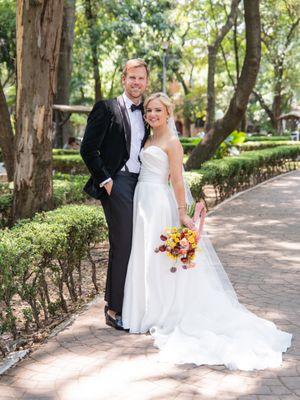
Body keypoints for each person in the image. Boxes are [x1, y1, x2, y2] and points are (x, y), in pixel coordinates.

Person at [122, 92, 292, 371]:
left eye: (158, 110)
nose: (152, 114)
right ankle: (147, 308)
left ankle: (164, 310)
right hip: (143, 199)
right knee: (146, 256)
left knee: (161, 258)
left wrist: (181, 213)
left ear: (168, 113)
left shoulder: (172, 142)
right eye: (149, 110)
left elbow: (177, 180)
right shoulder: (149, 138)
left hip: (159, 202)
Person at [80, 59, 149, 330]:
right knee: (124, 243)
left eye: (141, 78)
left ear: (146, 81)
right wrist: (106, 180)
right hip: (117, 182)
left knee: (140, 242)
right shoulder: (106, 108)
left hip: (142, 183)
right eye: (132, 77)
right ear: (123, 79)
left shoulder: (148, 111)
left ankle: (134, 303)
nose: (136, 83)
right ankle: (114, 308)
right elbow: (88, 148)